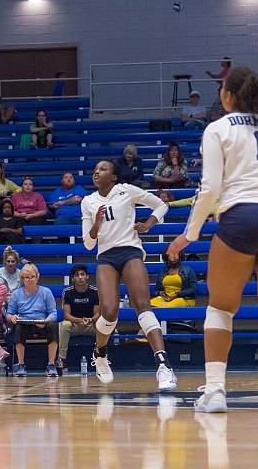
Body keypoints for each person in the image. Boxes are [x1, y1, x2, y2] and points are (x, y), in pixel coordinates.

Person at [167, 66, 258, 412]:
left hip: (239, 217)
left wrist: (190, 233)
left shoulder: (218, 129)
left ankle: (215, 392)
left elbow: (211, 188)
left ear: (228, 96)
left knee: (220, 309)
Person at [81, 159, 177, 391]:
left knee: (143, 305)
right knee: (110, 312)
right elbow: (88, 243)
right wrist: (96, 224)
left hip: (130, 250)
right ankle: (100, 354)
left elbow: (161, 205)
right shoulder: (88, 201)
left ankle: (163, 366)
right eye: (95, 169)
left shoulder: (127, 191)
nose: (97, 171)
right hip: (105, 256)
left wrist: (148, 224)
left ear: (114, 176)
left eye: (103, 168)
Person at [6, 263, 59, 377]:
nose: (29, 280)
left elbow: (53, 313)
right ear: (22, 279)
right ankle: (21, 364)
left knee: (54, 326)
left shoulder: (46, 292)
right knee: (18, 328)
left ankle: (51, 364)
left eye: (32, 277)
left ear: (37, 277)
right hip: (24, 324)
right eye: (26, 277)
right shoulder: (16, 294)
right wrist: (13, 317)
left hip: (42, 323)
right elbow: (9, 314)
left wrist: (47, 320)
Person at [58, 264, 99, 371]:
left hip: (90, 325)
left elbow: (97, 314)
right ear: (73, 278)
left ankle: (100, 356)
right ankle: (62, 359)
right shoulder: (67, 292)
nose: (80, 277)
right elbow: (66, 315)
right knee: (64, 325)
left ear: (87, 276)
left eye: (82, 274)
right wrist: (80, 320)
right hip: (74, 325)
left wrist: (90, 320)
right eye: (77, 275)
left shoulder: (95, 292)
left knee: (102, 324)